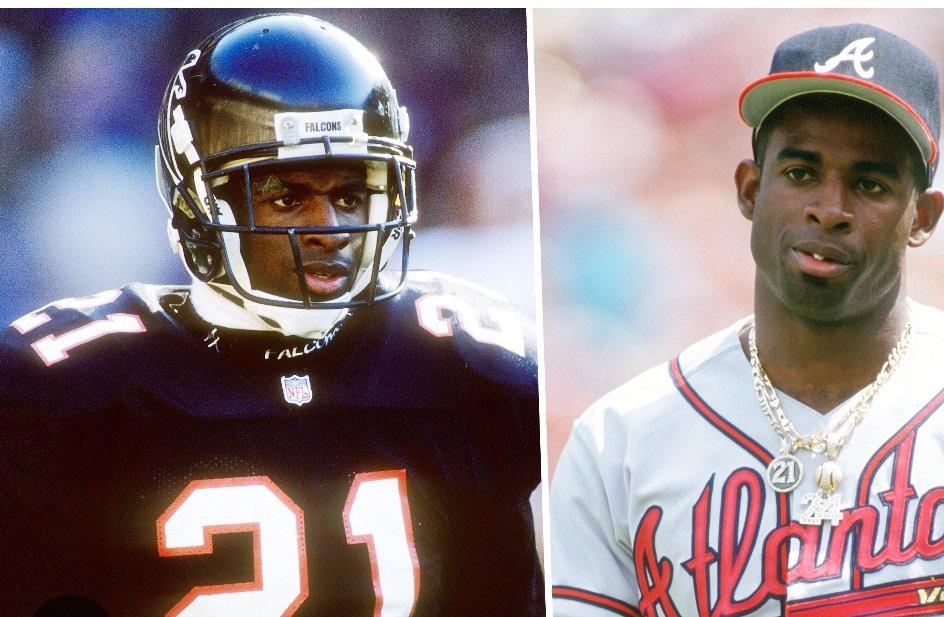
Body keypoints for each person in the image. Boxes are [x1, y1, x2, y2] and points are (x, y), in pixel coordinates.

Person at [0, 13, 542, 616]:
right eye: (287, 197)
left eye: (349, 194)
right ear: (200, 198)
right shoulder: (56, 388)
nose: (329, 230)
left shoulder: (470, 360)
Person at [549, 23, 944, 617]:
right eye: (801, 173)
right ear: (750, 189)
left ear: (923, 217)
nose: (829, 210)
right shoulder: (617, 442)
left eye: (870, 183)